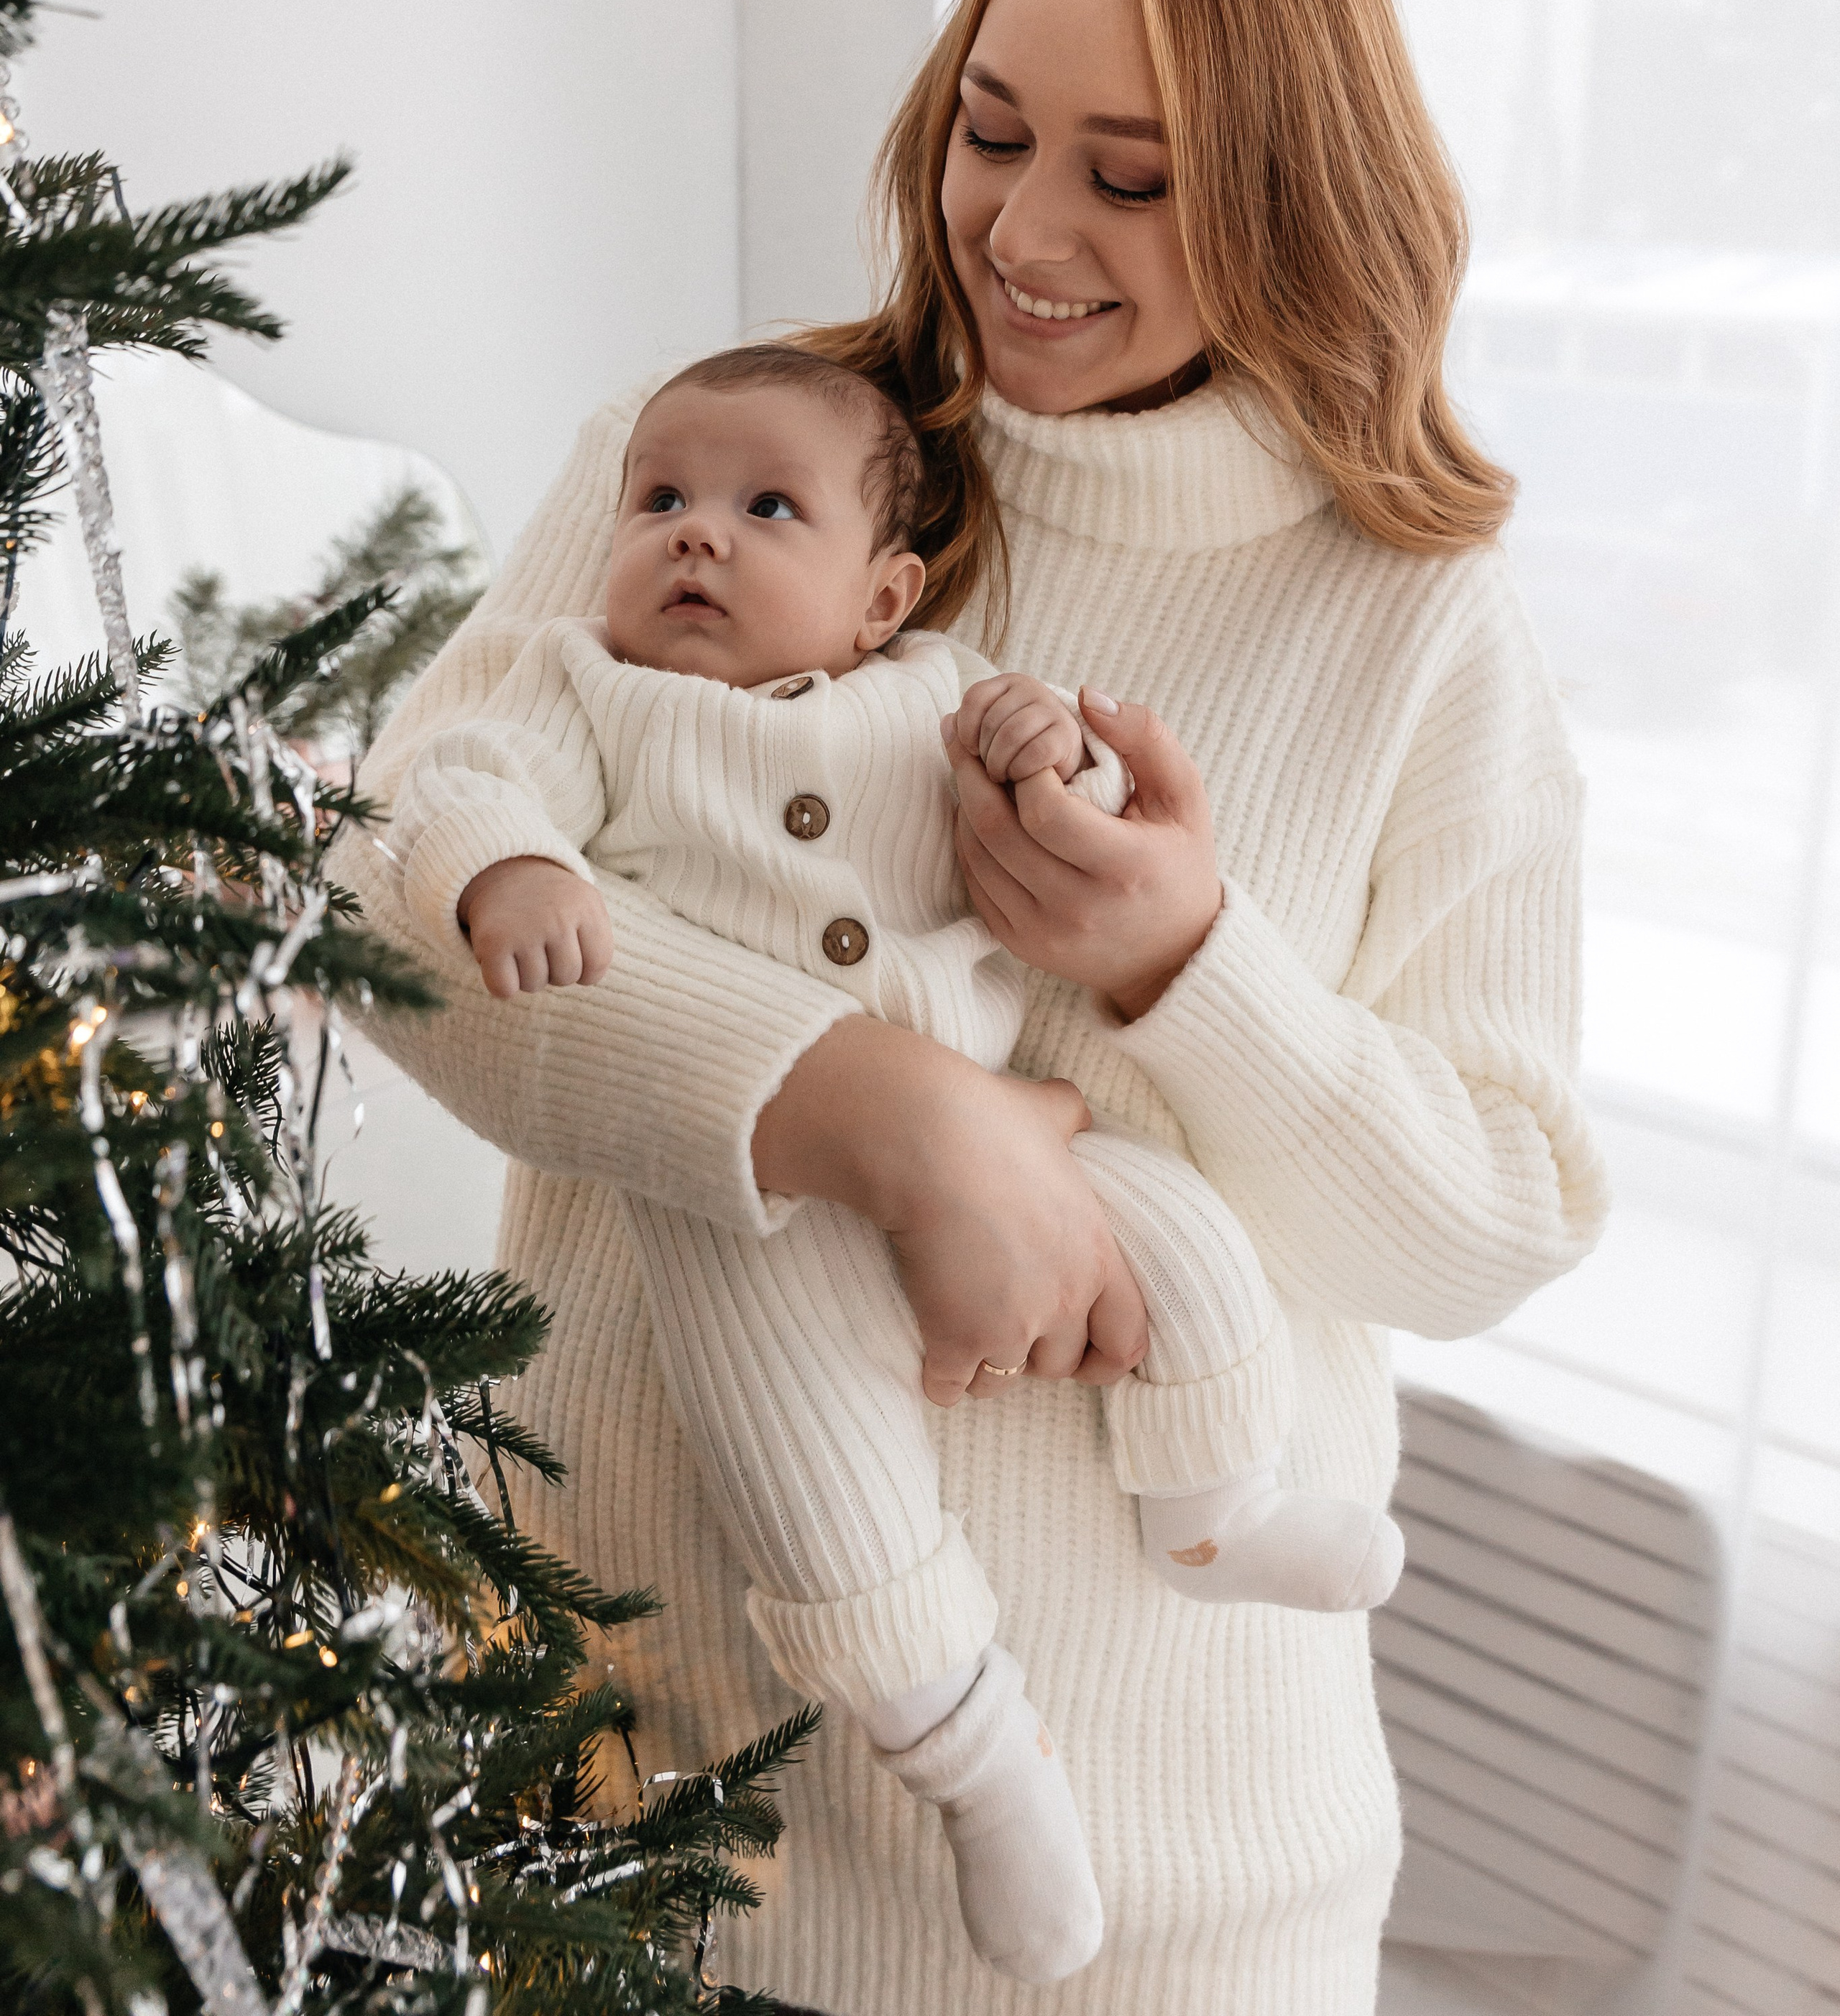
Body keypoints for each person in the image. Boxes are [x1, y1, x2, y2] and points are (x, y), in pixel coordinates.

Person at [346, 0, 1609, 2016]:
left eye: (1131, 176)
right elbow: (389, 886)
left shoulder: (1419, 624)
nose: (1020, 233)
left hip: (1180, 1891)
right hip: (630, 1821)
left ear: (1298, 197)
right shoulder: (735, 472)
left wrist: (1187, 971)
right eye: (988, 134)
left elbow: (1495, 1218)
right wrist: (872, 1111)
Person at [384, 341, 1407, 1987]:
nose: (692, 534)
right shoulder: (596, 693)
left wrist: (1054, 768)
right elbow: (447, 789)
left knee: (1197, 1253)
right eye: (660, 503)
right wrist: (503, 868)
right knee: (826, 1511)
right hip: (747, 1221)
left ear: (882, 595)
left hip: (1034, 1151)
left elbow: (1489, 1214)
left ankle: (1214, 1505)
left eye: (760, 509)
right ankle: (980, 1760)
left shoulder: (930, 689)